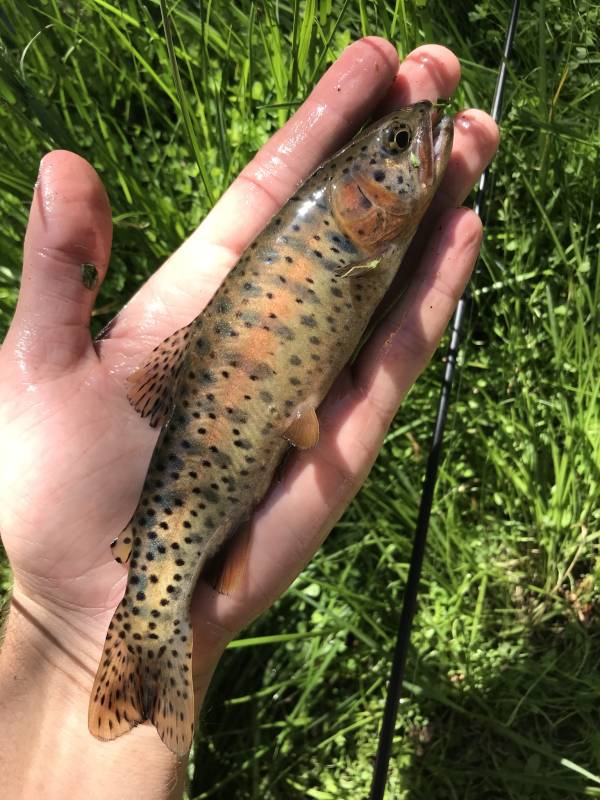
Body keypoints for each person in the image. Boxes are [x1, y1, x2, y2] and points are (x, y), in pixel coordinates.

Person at [0, 38, 497, 799]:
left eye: (395, 143)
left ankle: (139, 651)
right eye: (398, 145)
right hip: (213, 450)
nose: (415, 142)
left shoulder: (364, 236)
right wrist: (60, 624)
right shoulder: (351, 240)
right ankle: (149, 628)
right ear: (355, 195)